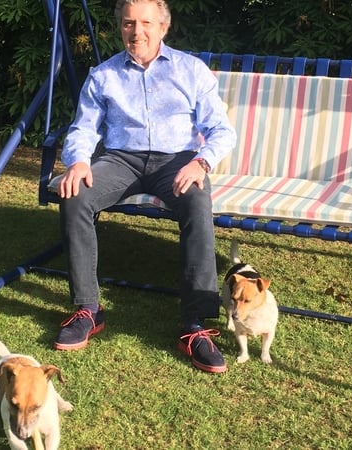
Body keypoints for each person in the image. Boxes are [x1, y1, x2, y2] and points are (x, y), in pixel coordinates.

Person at [53, 0, 237, 373]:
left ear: (163, 27)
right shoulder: (103, 75)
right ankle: (88, 309)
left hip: (177, 161)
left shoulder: (191, 70)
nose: (137, 31)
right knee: (75, 196)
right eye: (128, 23)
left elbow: (221, 130)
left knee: (198, 204)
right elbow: (85, 128)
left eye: (146, 23)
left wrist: (201, 162)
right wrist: (78, 160)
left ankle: (196, 324)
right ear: (120, 27)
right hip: (122, 159)